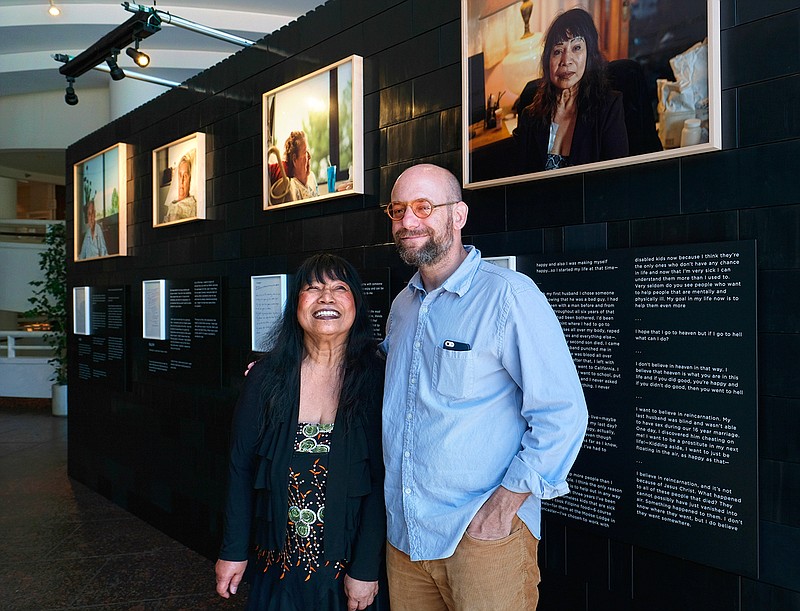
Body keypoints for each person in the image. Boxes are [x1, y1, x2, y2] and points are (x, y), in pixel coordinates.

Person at [381, 164, 588, 610]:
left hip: (479, 539)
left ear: (459, 215)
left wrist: (500, 511)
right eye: (398, 210)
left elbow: (562, 413)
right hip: (406, 538)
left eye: (423, 207)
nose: (408, 221)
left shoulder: (509, 296)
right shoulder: (402, 306)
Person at [216, 254, 387, 611]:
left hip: (348, 574)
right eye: (313, 288)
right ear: (296, 304)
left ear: (357, 303)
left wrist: (367, 568)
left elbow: (383, 480)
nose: (326, 297)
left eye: (340, 288)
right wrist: (232, 551)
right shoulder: (264, 379)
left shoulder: (378, 381)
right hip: (275, 569)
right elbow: (240, 468)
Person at [514, 8, 628, 171]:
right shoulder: (530, 118)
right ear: (548, 61)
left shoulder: (608, 108)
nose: (566, 61)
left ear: (589, 55)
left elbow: (617, 180)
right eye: (558, 51)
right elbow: (519, 183)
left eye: (576, 48)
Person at [269, 131, 319, 205]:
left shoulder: (312, 178)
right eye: (305, 152)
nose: (309, 157)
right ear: (295, 159)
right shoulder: (292, 188)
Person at [164, 154, 197, 222]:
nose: (181, 180)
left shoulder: (192, 206)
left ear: (190, 179)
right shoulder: (172, 205)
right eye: (180, 175)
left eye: (185, 176)